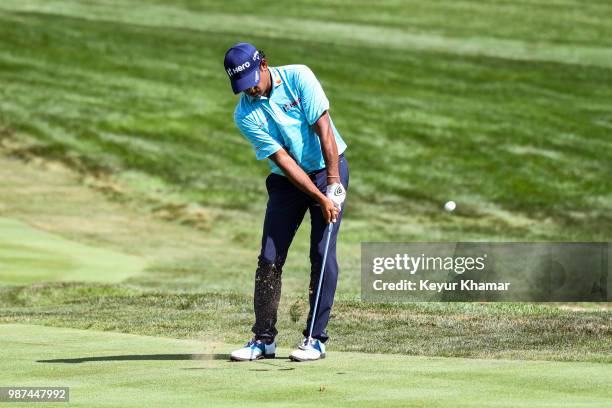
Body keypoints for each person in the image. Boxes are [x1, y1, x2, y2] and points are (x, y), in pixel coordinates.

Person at [224, 43, 349, 362]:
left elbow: (324, 129)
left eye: (252, 79)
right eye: (242, 85)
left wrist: (332, 186)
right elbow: (284, 161)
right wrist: (317, 198)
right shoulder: (244, 115)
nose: (249, 89)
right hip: (287, 179)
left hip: (326, 167)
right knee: (269, 258)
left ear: (264, 65)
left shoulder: (299, 77)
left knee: (321, 252)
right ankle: (263, 339)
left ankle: (315, 338)